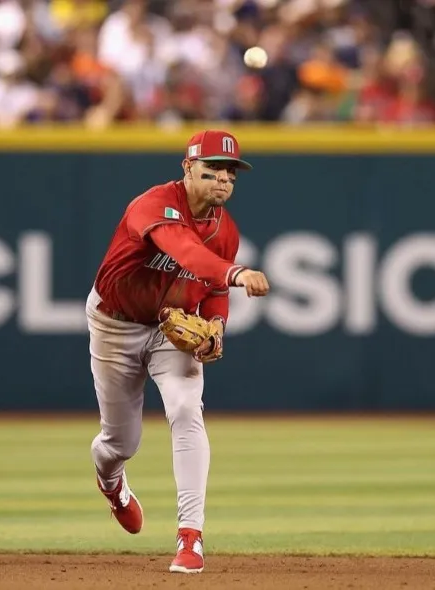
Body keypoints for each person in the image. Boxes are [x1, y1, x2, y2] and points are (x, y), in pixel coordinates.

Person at [85, 129, 270, 574]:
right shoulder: (153, 205)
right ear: (187, 169)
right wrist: (237, 273)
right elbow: (185, 252)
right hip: (115, 324)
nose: (222, 181)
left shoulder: (226, 232)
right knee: (120, 441)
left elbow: (211, 293)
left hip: (171, 328)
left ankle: (191, 536)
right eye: (211, 172)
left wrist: (217, 328)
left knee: (187, 410)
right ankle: (112, 485)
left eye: (230, 174)